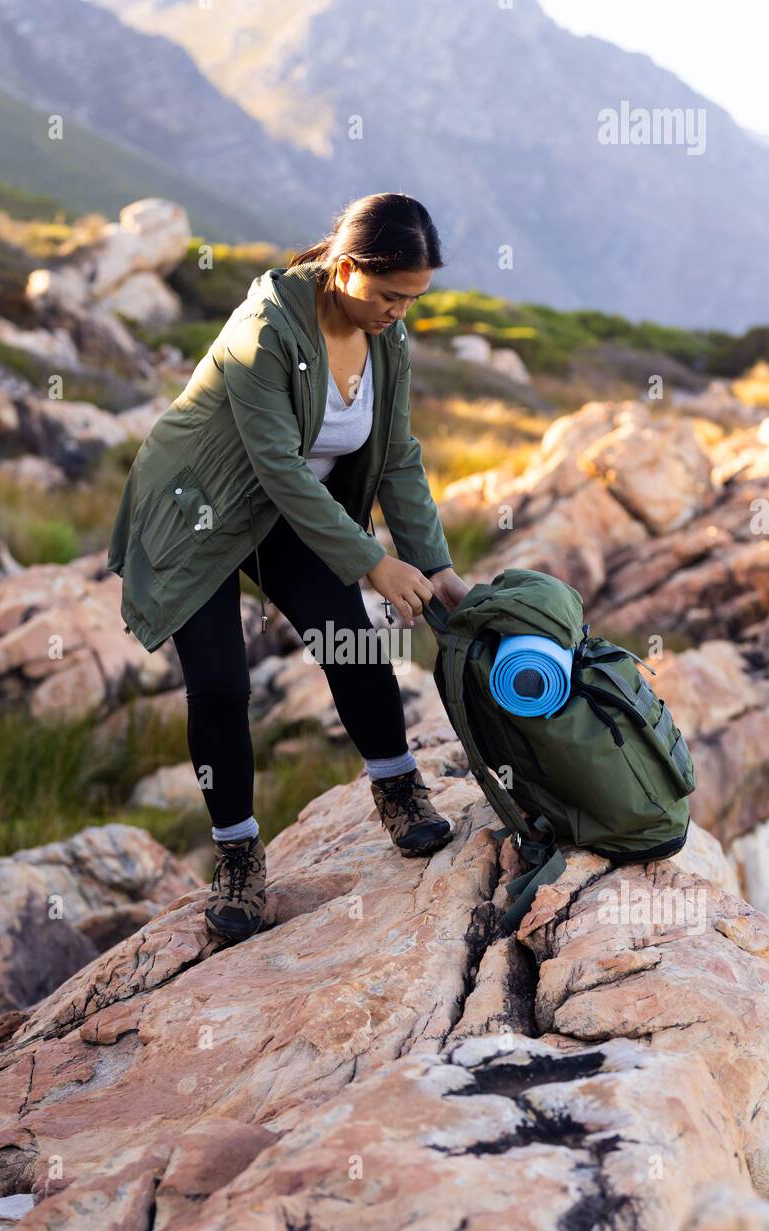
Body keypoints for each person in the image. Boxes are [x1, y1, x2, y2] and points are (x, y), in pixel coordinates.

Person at [106, 191, 469, 943]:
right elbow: (276, 462)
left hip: (281, 511)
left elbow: (398, 459)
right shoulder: (265, 327)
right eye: (389, 294)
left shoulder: (387, 342)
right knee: (219, 684)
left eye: (413, 299)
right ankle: (238, 857)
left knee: (351, 639)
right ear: (342, 269)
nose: (399, 312)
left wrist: (434, 568)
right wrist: (373, 561)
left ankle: (398, 790)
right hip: (197, 507)